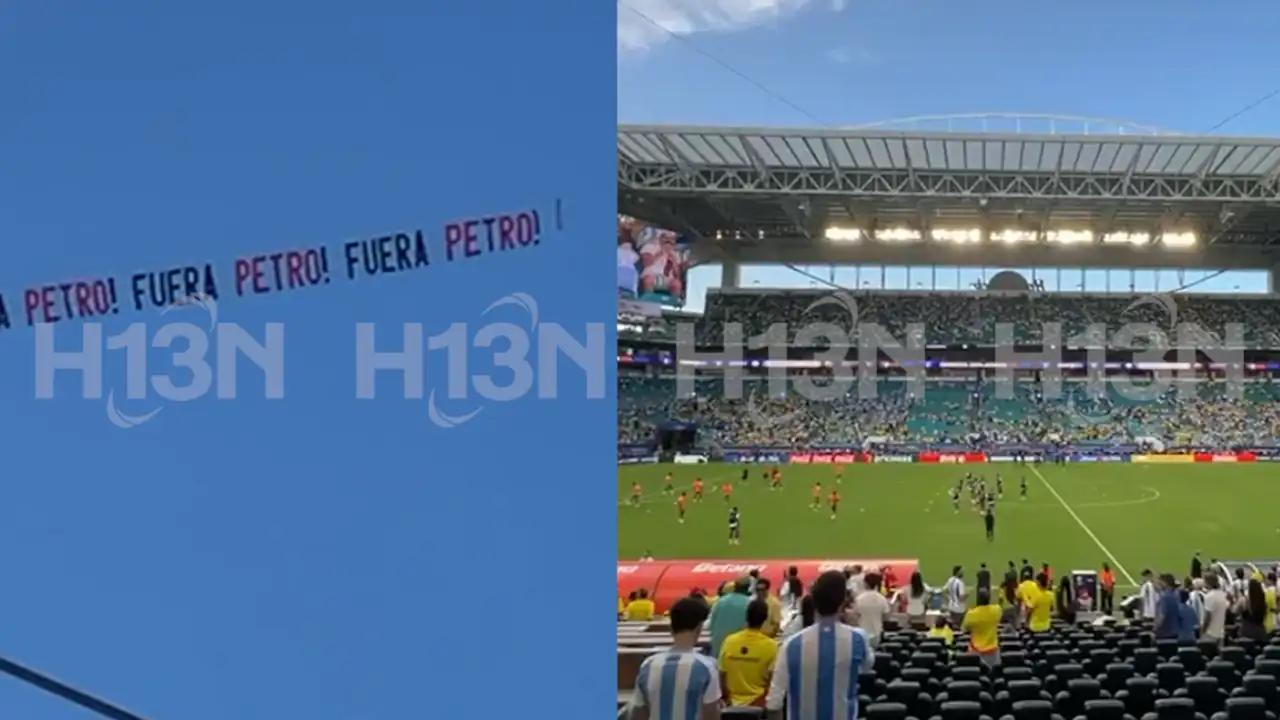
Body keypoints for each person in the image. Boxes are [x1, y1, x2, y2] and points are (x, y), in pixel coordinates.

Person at [765, 570, 874, 720]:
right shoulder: (858, 639)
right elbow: (866, 666)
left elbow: (774, 704)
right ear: (843, 601)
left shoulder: (791, 645)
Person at [631, 596, 721, 720]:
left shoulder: (648, 665)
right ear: (699, 628)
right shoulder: (707, 667)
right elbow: (711, 715)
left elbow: (638, 714)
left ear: (672, 628)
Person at [719, 599, 778, 708]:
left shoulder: (729, 641)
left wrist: (727, 701)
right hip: (758, 706)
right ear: (765, 619)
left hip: (731, 705)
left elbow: (722, 675)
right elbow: (773, 683)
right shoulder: (771, 646)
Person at [708, 577, 751, 659]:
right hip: (738, 649)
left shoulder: (720, 601)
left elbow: (711, 624)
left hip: (718, 646)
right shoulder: (749, 603)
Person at [963, 587, 1002, 668]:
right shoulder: (996, 610)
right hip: (992, 650)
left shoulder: (971, 614)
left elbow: (965, 628)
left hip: (975, 651)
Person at [852, 572, 891, 647]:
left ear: (865, 584)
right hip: (877, 633)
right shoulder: (882, 599)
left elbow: (854, 617)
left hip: (862, 633)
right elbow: (886, 617)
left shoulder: (859, 599)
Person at [1201, 573, 1229, 644]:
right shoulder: (1223, 594)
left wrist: (1202, 631)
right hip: (1220, 633)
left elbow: (1207, 617)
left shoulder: (1210, 596)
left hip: (1210, 634)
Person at [1239, 578, 1270, 642]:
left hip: (1246, 632)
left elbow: (1234, 611)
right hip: (1261, 632)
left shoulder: (1245, 601)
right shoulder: (1263, 602)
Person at [1154, 573, 1183, 640]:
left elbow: (1162, 615)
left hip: (1164, 633)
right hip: (1176, 631)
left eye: (1160, 582)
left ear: (1165, 583)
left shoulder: (1164, 597)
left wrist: (1155, 628)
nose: (1158, 585)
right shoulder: (1176, 594)